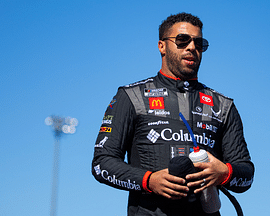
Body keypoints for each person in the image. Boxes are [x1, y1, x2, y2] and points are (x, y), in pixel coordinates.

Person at [91, 12, 254, 216]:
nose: (192, 47)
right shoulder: (131, 96)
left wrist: (224, 173)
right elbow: (101, 163)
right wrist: (149, 181)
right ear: (162, 46)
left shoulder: (223, 105)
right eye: (182, 40)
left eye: (199, 42)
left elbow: (246, 174)